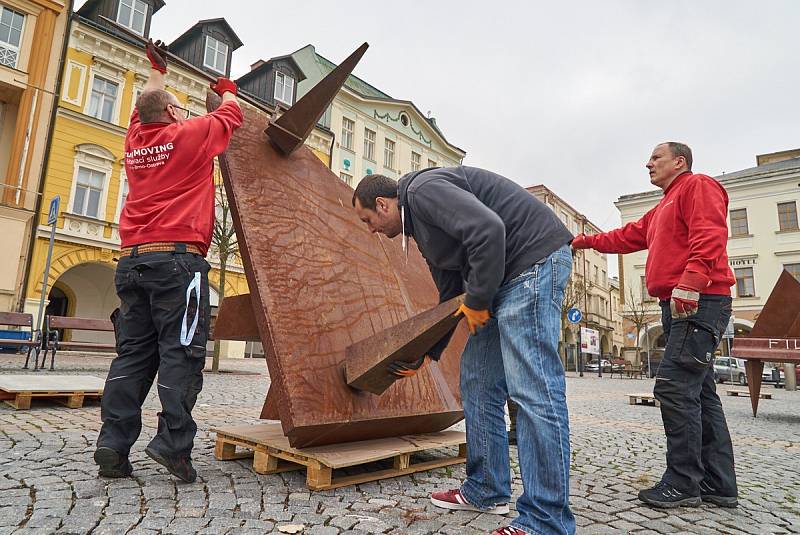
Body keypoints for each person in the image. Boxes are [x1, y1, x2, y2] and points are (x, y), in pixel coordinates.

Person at [353, 166, 576, 535]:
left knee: (533, 390)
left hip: (533, 263)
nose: (370, 229)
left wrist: (477, 298)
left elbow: (489, 230)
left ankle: (546, 520)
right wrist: (427, 351)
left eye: (368, 219)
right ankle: (486, 489)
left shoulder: (422, 191)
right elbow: (449, 292)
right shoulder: (419, 231)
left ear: (382, 204)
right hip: (501, 277)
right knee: (477, 381)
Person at [93, 39, 243, 483]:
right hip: (177, 264)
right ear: (175, 115)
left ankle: (112, 445)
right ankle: (173, 445)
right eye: (178, 107)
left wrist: (156, 71)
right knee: (182, 351)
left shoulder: (136, 140)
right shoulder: (189, 135)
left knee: (132, 356)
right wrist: (228, 88)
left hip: (133, 260)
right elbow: (229, 116)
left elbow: (145, 106)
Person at [572, 142, 738, 508]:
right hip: (681, 301)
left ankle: (683, 483)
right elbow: (624, 236)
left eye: (656, 158)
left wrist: (692, 281)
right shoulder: (662, 206)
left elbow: (710, 234)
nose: (648, 163)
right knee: (700, 393)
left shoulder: (698, 186)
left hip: (697, 300)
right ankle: (719, 484)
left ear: (679, 162)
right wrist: (580, 241)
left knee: (675, 389)